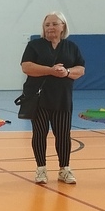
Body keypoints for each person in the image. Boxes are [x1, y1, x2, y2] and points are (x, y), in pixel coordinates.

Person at [20, 12, 85, 185]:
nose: (50, 27)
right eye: (47, 24)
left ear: (63, 26)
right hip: (38, 98)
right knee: (39, 133)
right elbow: (26, 67)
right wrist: (51, 70)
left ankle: (64, 169)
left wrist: (67, 72)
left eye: (54, 24)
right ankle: (41, 169)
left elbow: (80, 69)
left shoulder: (71, 47)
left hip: (62, 98)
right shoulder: (34, 45)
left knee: (63, 134)